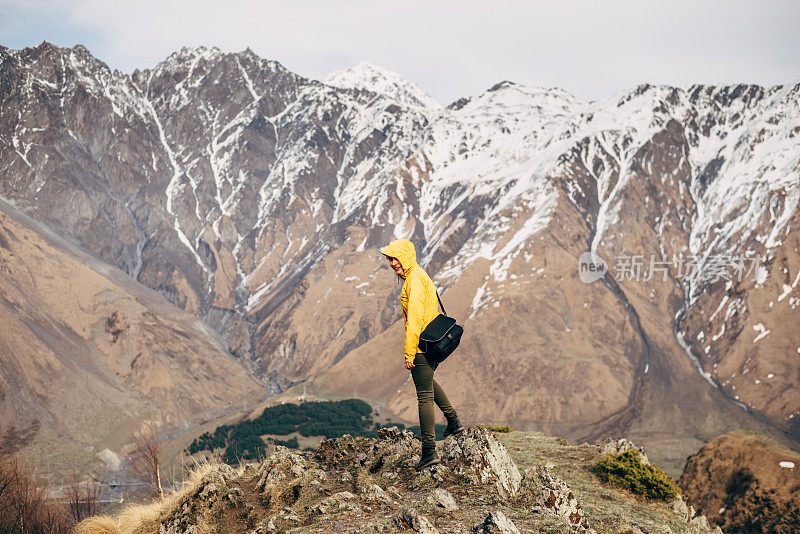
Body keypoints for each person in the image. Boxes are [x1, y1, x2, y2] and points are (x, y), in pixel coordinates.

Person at [381, 238, 464, 470]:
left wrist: (409, 353)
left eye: (395, 258)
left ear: (406, 257)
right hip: (431, 343)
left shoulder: (414, 282)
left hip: (421, 346)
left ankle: (429, 451)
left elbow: (415, 319)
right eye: (389, 259)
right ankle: (454, 422)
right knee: (428, 383)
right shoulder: (417, 275)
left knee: (424, 396)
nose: (392, 263)